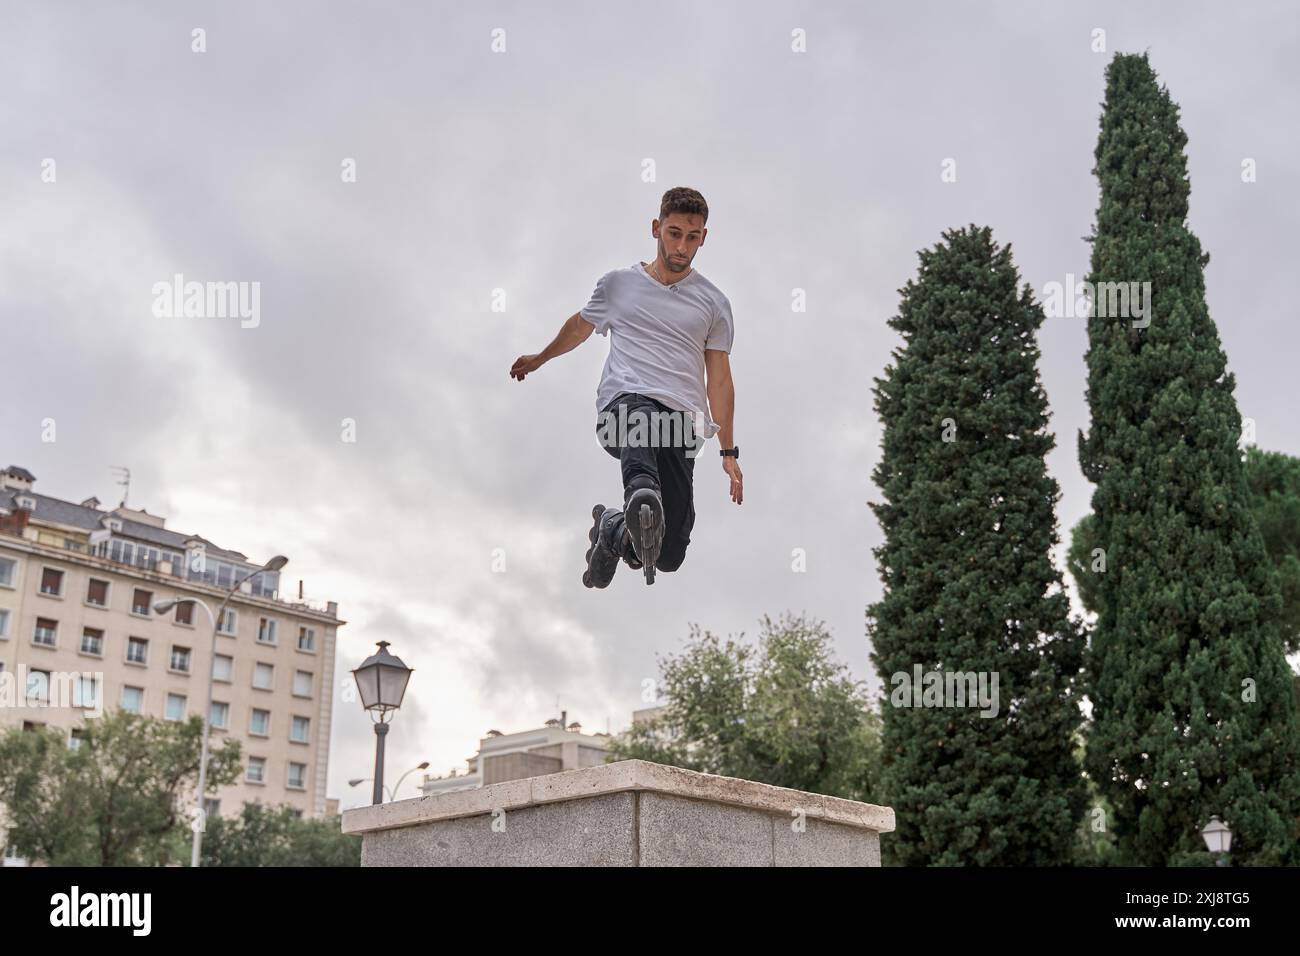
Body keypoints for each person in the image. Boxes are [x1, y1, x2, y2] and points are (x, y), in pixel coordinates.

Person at [509, 186, 742, 586]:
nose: (681, 246)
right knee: (642, 417)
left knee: (668, 554)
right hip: (624, 407)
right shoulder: (619, 284)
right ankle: (640, 492)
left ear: (704, 237)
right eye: (673, 233)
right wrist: (541, 357)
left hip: (681, 425)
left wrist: (729, 451)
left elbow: (719, 378)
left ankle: (614, 532)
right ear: (656, 228)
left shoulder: (714, 304)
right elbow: (580, 327)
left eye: (691, 237)